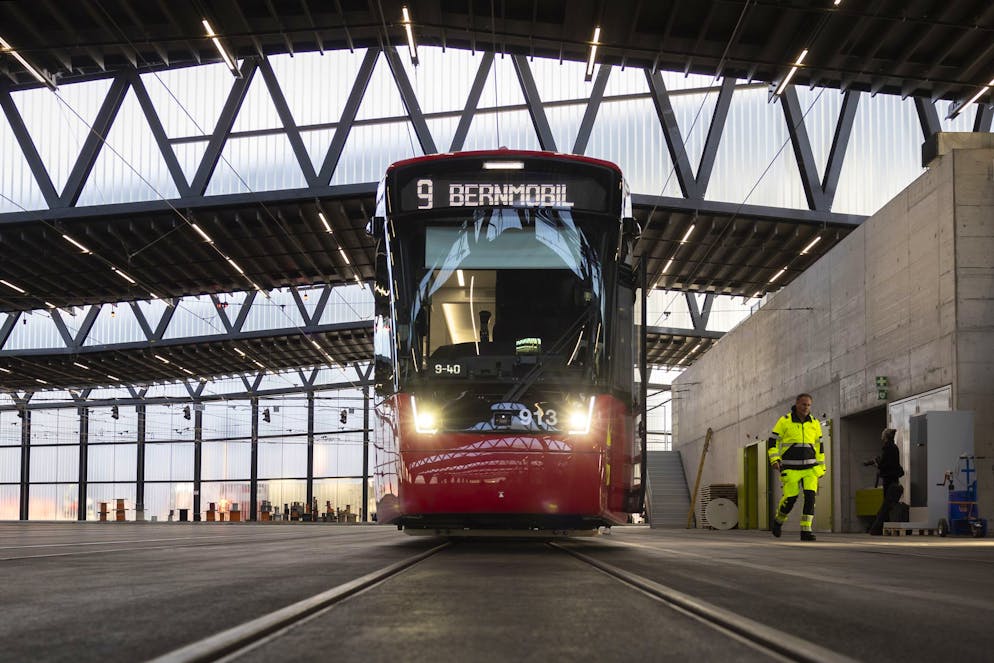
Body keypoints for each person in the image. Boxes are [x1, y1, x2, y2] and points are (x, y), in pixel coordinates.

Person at [767, 393, 825, 541]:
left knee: (810, 498)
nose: (806, 407)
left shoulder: (815, 423)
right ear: (797, 404)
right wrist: (775, 459)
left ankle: (806, 530)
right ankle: (779, 520)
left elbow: (820, 447)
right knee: (791, 498)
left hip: (810, 469)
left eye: (808, 405)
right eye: (803, 404)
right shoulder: (784, 421)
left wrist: (821, 468)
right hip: (790, 468)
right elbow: (773, 442)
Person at [867, 428, 904, 535]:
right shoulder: (895, 448)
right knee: (890, 502)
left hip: (888, 478)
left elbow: (885, 465)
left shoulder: (887, 448)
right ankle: (885, 525)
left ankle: (880, 526)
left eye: (883, 435)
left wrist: (877, 463)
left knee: (887, 502)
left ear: (886, 437)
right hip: (894, 477)